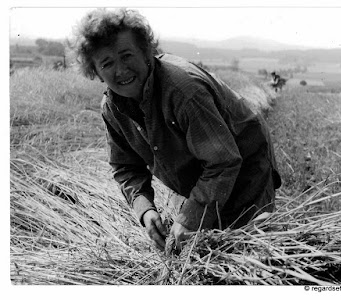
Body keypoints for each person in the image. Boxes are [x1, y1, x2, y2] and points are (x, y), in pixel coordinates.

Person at [71, 8, 281, 251]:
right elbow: (126, 167)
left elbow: (223, 162)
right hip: (204, 176)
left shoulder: (183, 92)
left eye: (127, 56)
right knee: (202, 250)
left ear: (146, 51)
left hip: (246, 169)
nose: (121, 70)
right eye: (107, 63)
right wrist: (145, 210)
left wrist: (190, 218)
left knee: (246, 252)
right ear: (95, 72)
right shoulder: (112, 108)